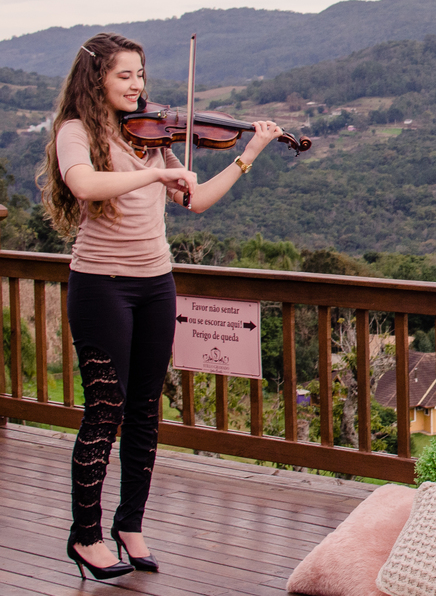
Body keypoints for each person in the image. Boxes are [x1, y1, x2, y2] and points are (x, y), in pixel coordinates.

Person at [38, 33, 285, 581]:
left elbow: (194, 200)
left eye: (141, 74)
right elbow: (83, 184)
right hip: (101, 285)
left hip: (155, 284)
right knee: (106, 409)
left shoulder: (151, 133)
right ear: (96, 78)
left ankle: (130, 525)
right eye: (124, 75)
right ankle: (85, 536)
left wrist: (247, 155)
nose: (137, 85)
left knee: (145, 412)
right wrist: (154, 171)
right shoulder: (76, 132)